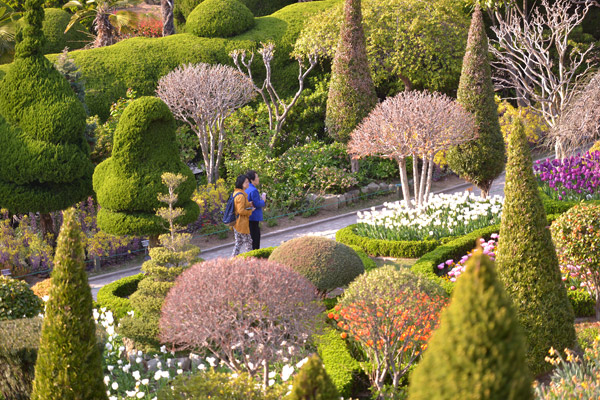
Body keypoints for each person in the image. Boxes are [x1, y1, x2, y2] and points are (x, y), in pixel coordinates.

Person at [231, 174, 255, 256]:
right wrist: (250, 211)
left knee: (238, 243)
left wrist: (248, 205)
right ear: (241, 184)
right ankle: (250, 260)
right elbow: (240, 210)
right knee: (248, 243)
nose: (248, 183)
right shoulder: (241, 196)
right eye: (246, 182)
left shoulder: (236, 193)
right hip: (241, 223)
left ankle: (233, 259)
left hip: (236, 223)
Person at [245, 170, 267, 250]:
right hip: (254, 217)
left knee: (250, 239)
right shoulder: (253, 190)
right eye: (257, 177)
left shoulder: (246, 189)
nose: (258, 178)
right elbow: (257, 204)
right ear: (252, 179)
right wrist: (263, 200)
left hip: (248, 217)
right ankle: (255, 257)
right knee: (255, 238)